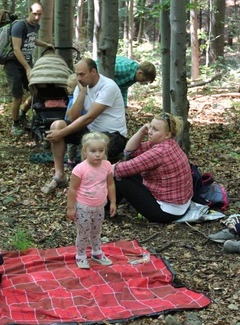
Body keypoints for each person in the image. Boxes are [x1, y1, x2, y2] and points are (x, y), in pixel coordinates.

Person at [42, 58, 127, 194]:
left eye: (82, 74)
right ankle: (59, 176)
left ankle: (87, 188)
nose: (79, 78)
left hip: (113, 135)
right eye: (77, 74)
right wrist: (81, 93)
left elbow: (89, 117)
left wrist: (62, 133)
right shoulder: (81, 87)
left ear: (93, 71)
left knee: (88, 145)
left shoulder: (108, 86)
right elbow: (71, 117)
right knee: (57, 125)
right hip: (91, 132)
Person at [112, 113, 193, 223]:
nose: (149, 132)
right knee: (129, 172)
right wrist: (142, 131)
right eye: (150, 127)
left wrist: (99, 169)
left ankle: (106, 206)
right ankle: (110, 203)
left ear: (168, 134)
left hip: (166, 212)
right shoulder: (166, 143)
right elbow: (129, 151)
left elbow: (120, 170)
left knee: (121, 178)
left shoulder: (160, 152)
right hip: (180, 205)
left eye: (155, 130)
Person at [66, 132, 116, 269]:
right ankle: (81, 255)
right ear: (85, 151)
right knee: (83, 232)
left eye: (101, 150)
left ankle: (97, 252)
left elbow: (110, 184)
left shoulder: (106, 166)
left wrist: (113, 202)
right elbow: (73, 189)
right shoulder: (80, 169)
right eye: (93, 151)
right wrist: (71, 208)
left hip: (99, 206)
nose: (98, 154)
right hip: (83, 207)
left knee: (96, 230)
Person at [7, 2, 54, 136]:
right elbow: (16, 49)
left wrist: (46, 45)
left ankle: (22, 113)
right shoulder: (19, 25)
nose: (37, 17)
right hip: (14, 64)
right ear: (29, 12)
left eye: (39, 14)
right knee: (17, 96)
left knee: (36, 91)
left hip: (27, 63)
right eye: (34, 13)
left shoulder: (35, 26)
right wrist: (27, 68)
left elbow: (32, 40)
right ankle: (15, 123)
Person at [65, 73, 80, 169]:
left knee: (71, 145)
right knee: (72, 145)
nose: (67, 88)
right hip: (70, 123)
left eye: (70, 87)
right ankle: (71, 159)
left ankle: (71, 160)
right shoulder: (70, 98)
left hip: (73, 124)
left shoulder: (75, 99)